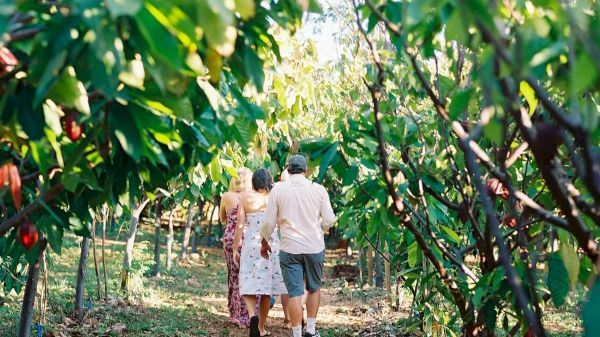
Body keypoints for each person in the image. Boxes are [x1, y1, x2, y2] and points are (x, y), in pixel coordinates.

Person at [260, 155, 337, 337]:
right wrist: (320, 229)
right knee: (314, 288)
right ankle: (310, 330)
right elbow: (329, 219)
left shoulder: (278, 190)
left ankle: (296, 334)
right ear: (306, 170)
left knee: (294, 292)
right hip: (314, 246)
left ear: (287, 169)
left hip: (289, 248)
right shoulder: (318, 189)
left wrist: (264, 242)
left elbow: (268, 223)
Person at [234, 168, 287, 337]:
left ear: (254, 182)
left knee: (248, 281)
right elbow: (281, 222)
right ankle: (261, 328)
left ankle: (252, 316)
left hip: (251, 243)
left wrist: (236, 247)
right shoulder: (275, 197)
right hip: (271, 243)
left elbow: (239, 225)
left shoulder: (244, 197)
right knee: (267, 288)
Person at [220, 167, 253, 328]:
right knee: (249, 276)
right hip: (249, 239)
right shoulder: (252, 197)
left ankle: (235, 314)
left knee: (233, 276)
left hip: (231, 238)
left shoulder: (226, 196)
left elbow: (222, 217)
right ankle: (249, 314)